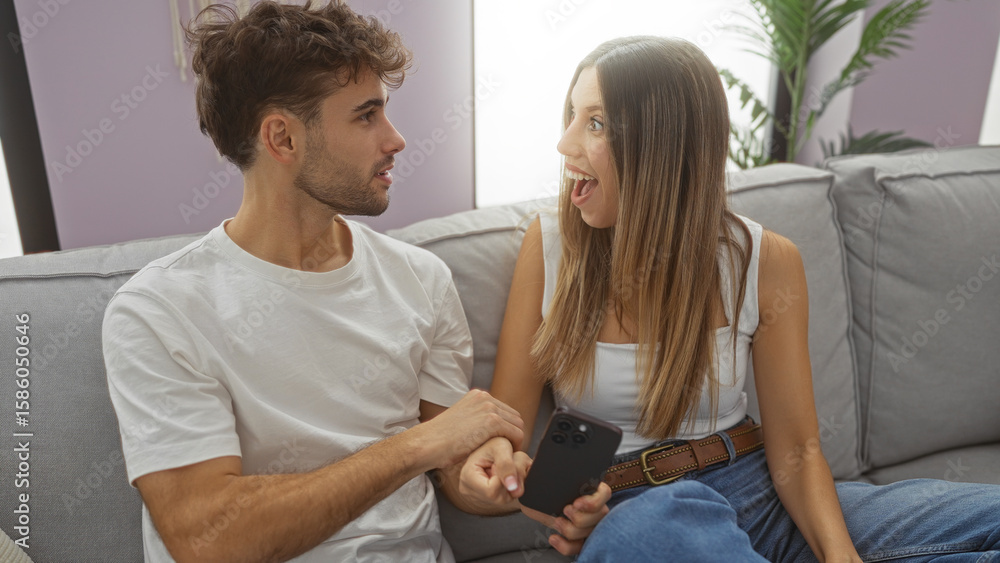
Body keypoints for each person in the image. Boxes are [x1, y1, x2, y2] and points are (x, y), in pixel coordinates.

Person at [461, 36, 1000, 562]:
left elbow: (798, 451)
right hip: (639, 515)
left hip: (760, 496)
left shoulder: (764, 260)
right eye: (572, 116)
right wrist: (525, 489)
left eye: (596, 123)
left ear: (663, 146)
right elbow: (508, 447)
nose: (566, 144)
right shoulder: (551, 248)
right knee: (649, 527)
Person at [100, 2, 605, 561]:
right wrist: (415, 447)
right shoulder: (159, 310)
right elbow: (208, 539)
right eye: (366, 116)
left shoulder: (422, 279)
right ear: (282, 139)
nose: (396, 139)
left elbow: (453, 467)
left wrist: (490, 483)